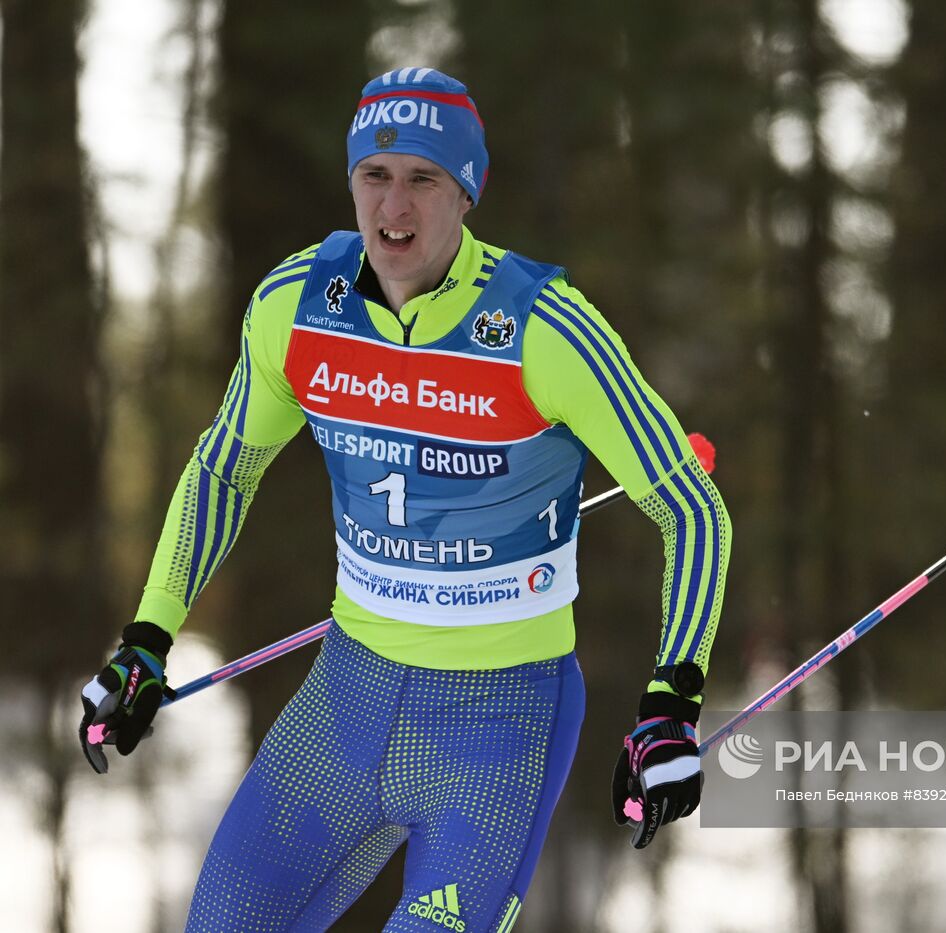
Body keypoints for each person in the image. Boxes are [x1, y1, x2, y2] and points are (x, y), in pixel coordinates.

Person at [78, 67, 730, 932]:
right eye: (375, 177)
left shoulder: (544, 327)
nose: (395, 207)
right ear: (351, 183)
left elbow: (691, 510)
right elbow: (222, 470)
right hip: (346, 699)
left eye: (424, 178)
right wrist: (148, 638)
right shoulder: (300, 306)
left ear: (467, 192)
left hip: (501, 719)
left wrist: (670, 706)